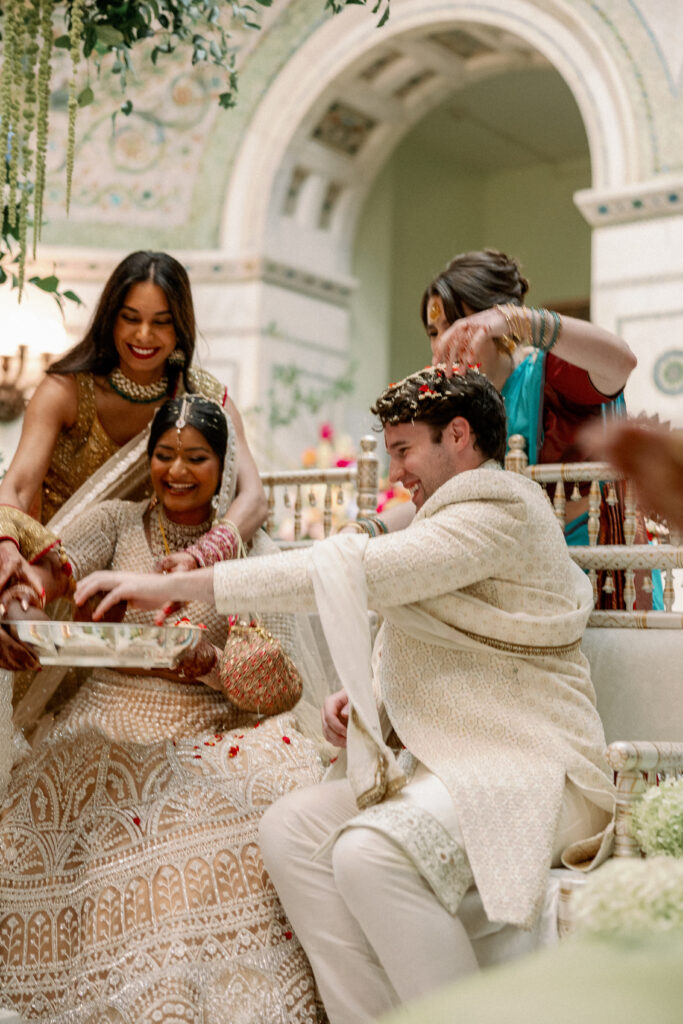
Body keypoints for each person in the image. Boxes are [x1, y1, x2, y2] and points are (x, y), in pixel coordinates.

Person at [76, 368, 616, 1023]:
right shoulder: (437, 523)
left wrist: (172, 587)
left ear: (458, 434)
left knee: (368, 850)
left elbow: (362, 573)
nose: (395, 472)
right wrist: (378, 699)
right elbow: (428, 621)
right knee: (291, 828)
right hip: (447, 760)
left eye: (402, 450)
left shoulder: (499, 509)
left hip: (530, 762)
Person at [0, 396, 325, 1023]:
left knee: (187, 825)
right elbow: (48, 578)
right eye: (164, 455)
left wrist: (205, 658)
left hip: (200, 728)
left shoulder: (247, 560)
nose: (177, 471)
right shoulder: (118, 525)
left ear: (224, 468)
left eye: (196, 458)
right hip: (98, 721)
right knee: (34, 818)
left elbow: (280, 689)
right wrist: (22, 614)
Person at [0, 249, 267, 595]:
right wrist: (6, 544)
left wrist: (199, 557)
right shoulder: (65, 393)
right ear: (111, 319)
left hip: (156, 579)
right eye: (130, 318)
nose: (144, 335)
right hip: (55, 574)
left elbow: (254, 498)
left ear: (180, 326)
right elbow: (18, 487)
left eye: (161, 321)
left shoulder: (203, 397)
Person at [420, 249, 637, 550]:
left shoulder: (550, 375)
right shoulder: (457, 412)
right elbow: (437, 497)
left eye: (458, 324)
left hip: (598, 577)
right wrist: (368, 527)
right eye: (434, 332)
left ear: (495, 322)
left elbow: (622, 362)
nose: (444, 341)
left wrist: (515, 319)